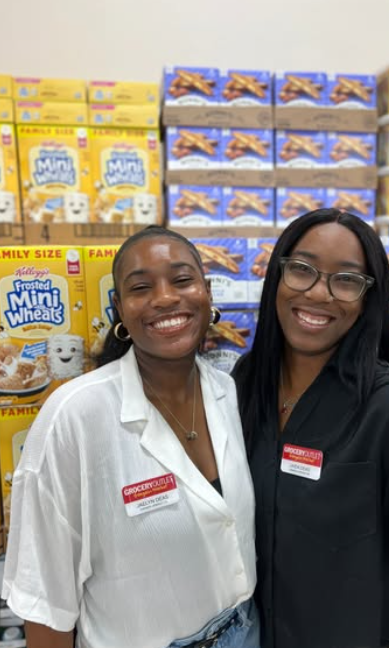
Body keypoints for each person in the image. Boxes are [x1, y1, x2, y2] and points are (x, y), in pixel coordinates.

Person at [3, 225, 259, 648]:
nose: (164, 298)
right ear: (119, 308)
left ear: (207, 292)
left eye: (182, 280)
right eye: (141, 287)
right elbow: (46, 604)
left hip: (247, 631)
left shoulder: (229, 393)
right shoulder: (76, 415)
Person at [233, 208, 389, 648]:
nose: (319, 293)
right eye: (302, 270)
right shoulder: (241, 390)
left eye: (345, 280)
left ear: (368, 299)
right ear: (277, 277)